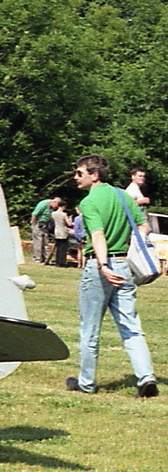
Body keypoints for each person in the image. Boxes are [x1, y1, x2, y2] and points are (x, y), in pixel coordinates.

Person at [66, 154, 157, 397]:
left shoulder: (89, 202)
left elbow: (97, 235)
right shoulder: (123, 195)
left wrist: (104, 266)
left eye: (79, 173)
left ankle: (86, 383)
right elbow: (144, 225)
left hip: (101, 267)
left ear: (94, 175)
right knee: (131, 327)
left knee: (90, 329)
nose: (76, 177)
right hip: (124, 266)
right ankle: (146, 377)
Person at [31, 195, 59, 265]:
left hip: (45, 225)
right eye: (56, 206)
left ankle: (45, 258)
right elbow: (34, 214)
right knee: (38, 242)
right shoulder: (43, 204)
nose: (55, 208)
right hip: (38, 224)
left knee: (45, 242)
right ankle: (38, 258)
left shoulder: (51, 208)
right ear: (54, 202)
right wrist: (34, 225)